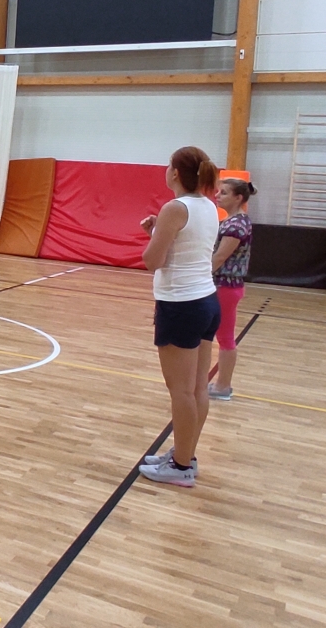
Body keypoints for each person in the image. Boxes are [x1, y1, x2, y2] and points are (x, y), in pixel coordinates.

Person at [138, 146, 221, 488]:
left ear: (175, 172)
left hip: (181, 305)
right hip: (206, 301)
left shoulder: (175, 208)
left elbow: (152, 261)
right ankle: (185, 454)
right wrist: (159, 233)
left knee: (181, 392)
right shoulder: (209, 206)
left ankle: (182, 465)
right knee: (197, 387)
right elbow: (184, 249)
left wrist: (155, 235)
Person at [209, 178, 257, 401]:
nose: (218, 196)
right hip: (225, 286)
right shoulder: (233, 221)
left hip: (225, 287)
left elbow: (220, 257)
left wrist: (199, 275)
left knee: (225, 338)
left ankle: (223, 386)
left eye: (224, 193)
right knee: (221, 336)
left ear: (238, 198)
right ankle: (220, 384)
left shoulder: (236, 225)